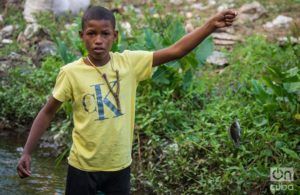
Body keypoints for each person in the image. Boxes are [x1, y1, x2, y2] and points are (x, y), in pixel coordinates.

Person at [17, 6, 237, 195]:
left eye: (105, 34)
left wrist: (210, 26)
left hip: (119, 167)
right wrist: (27, 152)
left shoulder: (129, 64)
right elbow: (47, 112)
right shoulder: (70, 73)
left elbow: (176, 51)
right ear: (81, 35)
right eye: (91, 34)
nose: (98, 41)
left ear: (116, 36)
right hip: (82, 168)